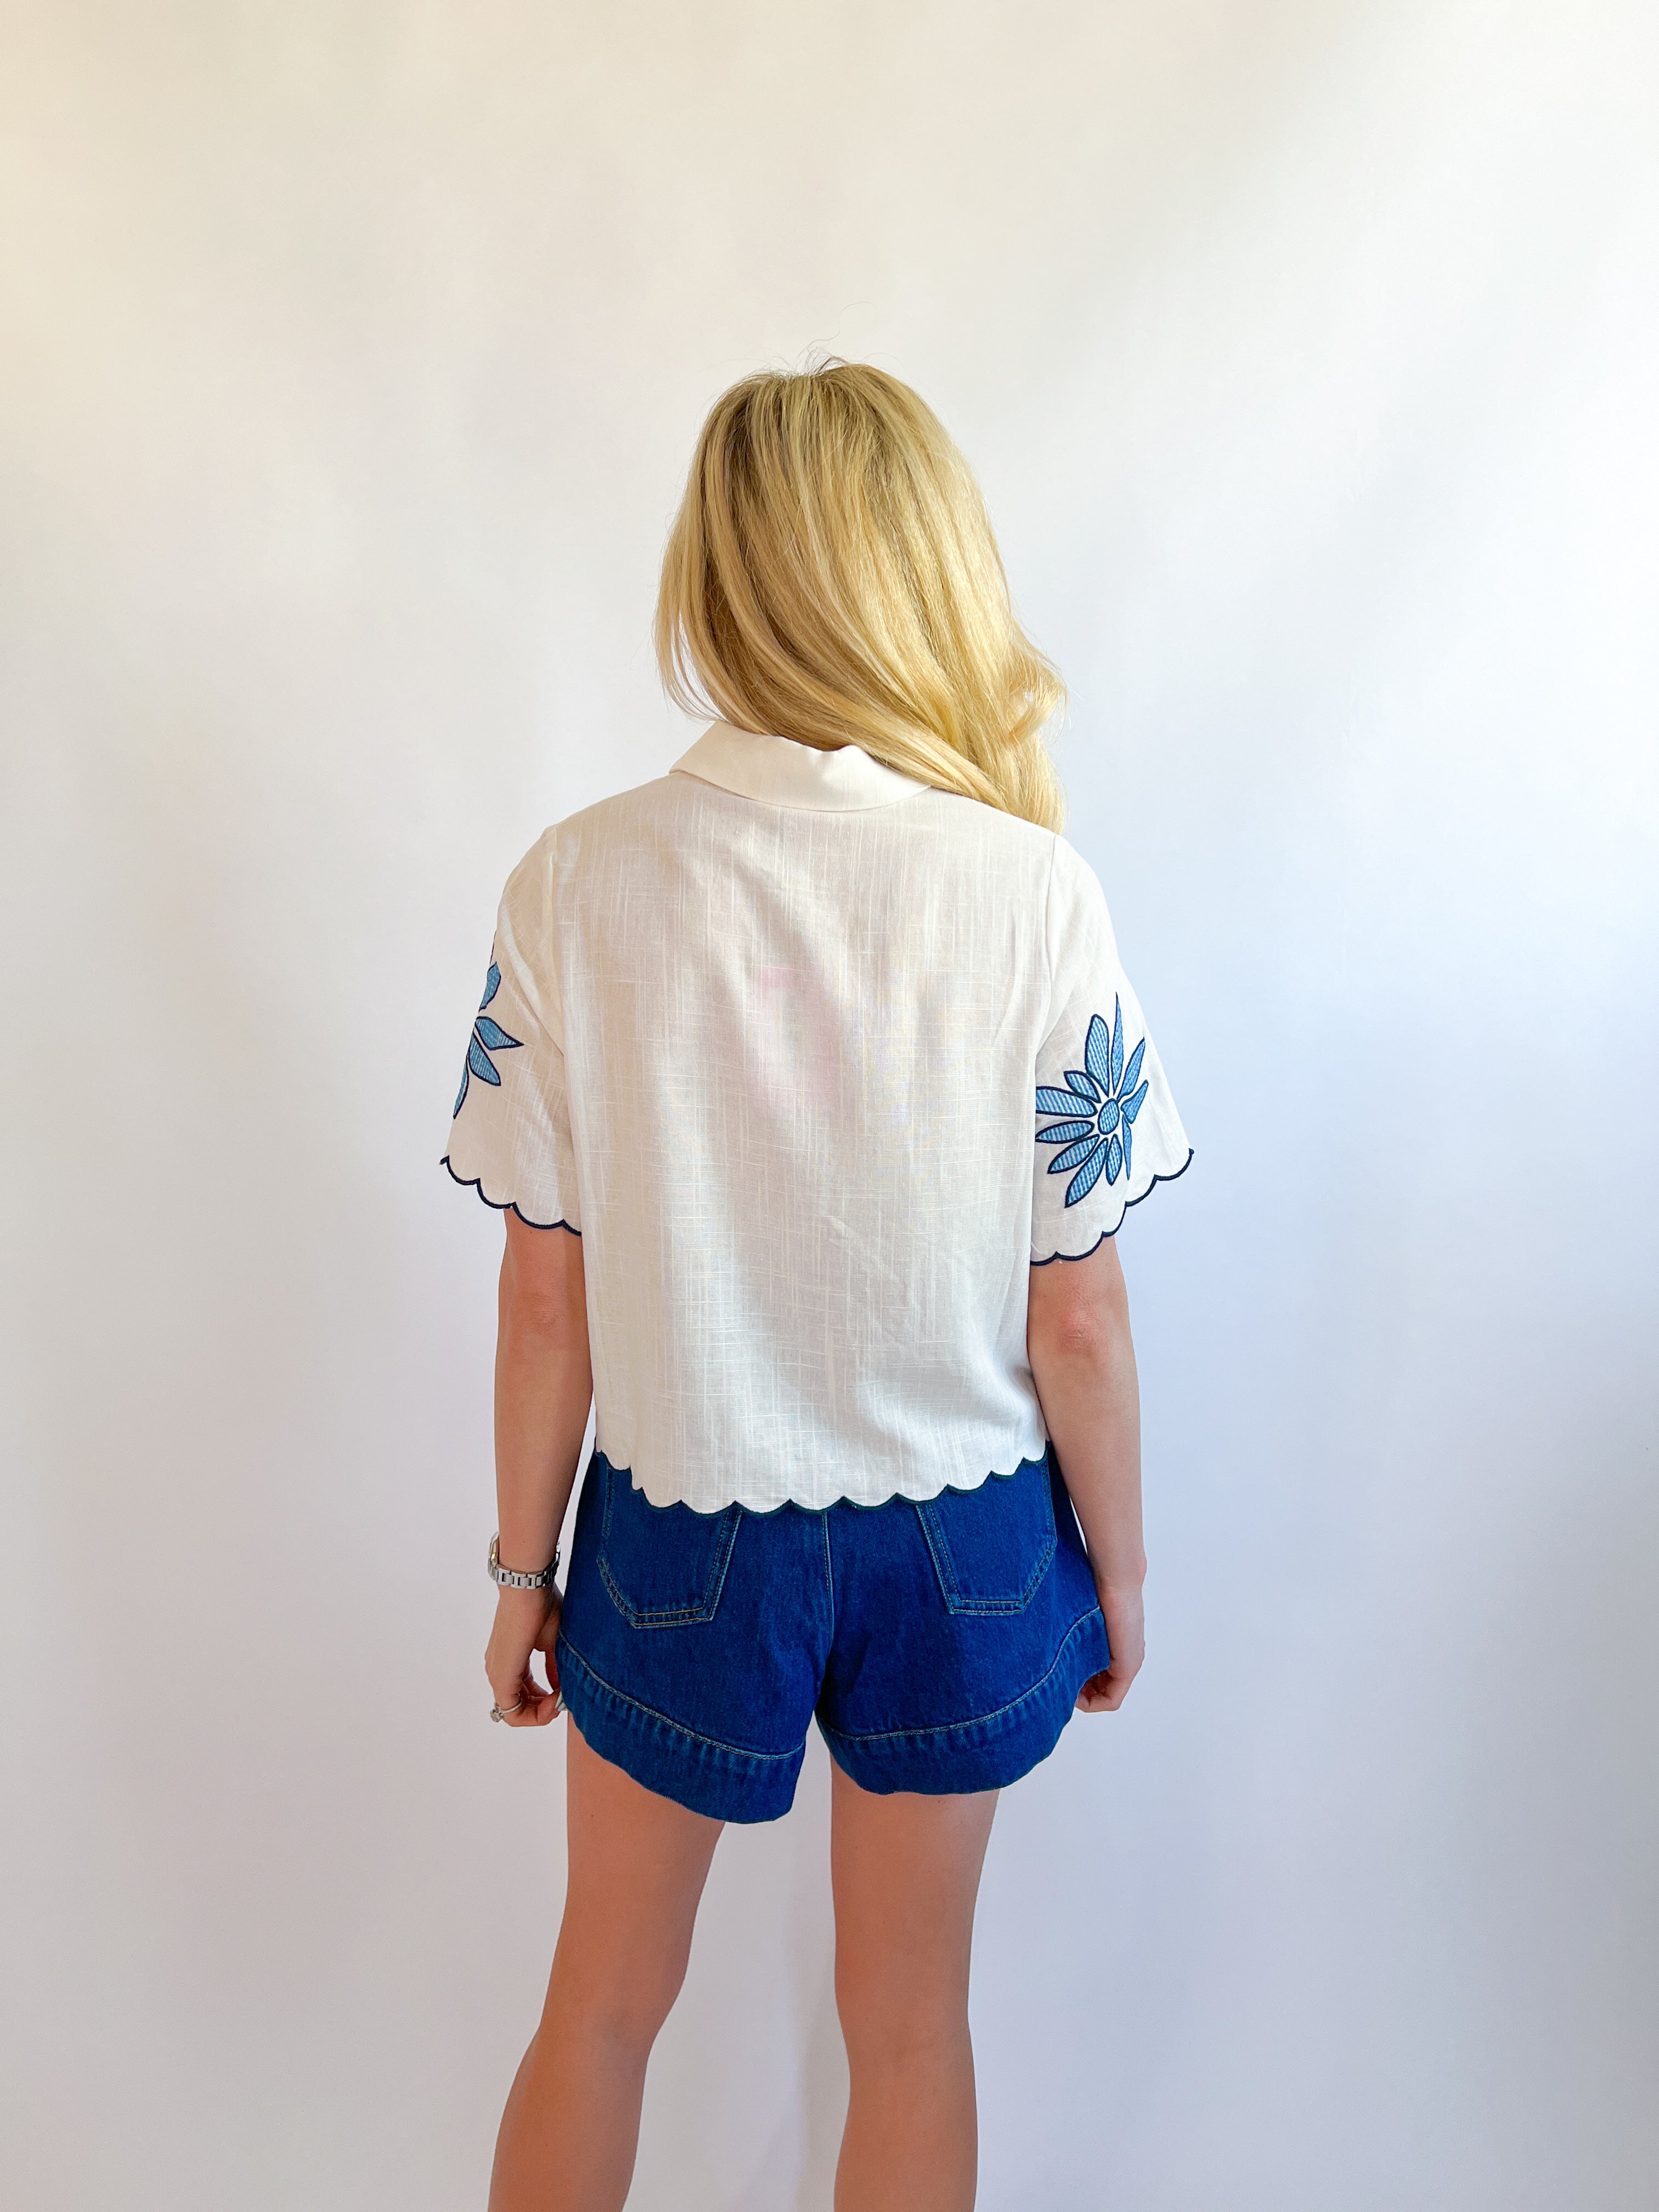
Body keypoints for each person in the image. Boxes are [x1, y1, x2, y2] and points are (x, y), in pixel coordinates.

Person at [441, 363, 1192, 2212]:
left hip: (684, 1522)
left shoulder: (577, 883)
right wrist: (1119, 1569)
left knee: (600, 2007)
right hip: (966, 1535)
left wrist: (525, 1577)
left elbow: (544, 1301)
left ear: (718, 573)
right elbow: (1080, 1314)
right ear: (925, 572)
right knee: (913, 2027)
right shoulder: (1034, 893)